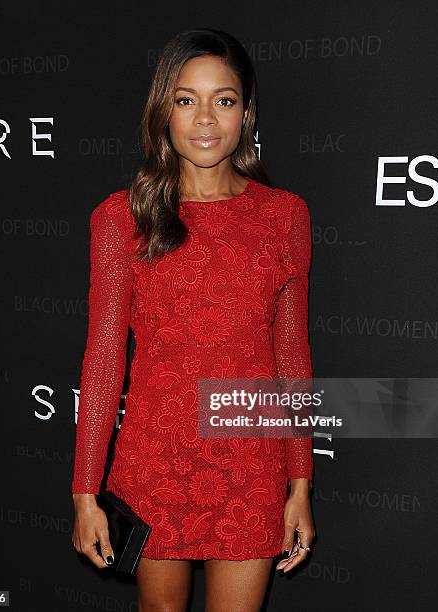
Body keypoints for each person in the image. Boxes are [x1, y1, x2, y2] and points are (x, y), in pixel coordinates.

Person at [71, 28, 315, 612]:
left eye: (224, 100)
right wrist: (85, 493)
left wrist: (301, 482)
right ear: (163, 112)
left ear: (247, 113)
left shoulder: (284, 216)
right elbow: (104, 359)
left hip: (250, 461)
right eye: (186, 99)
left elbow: (293, 354)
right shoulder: (120, 216)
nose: (205, 118)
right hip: (156, 457)